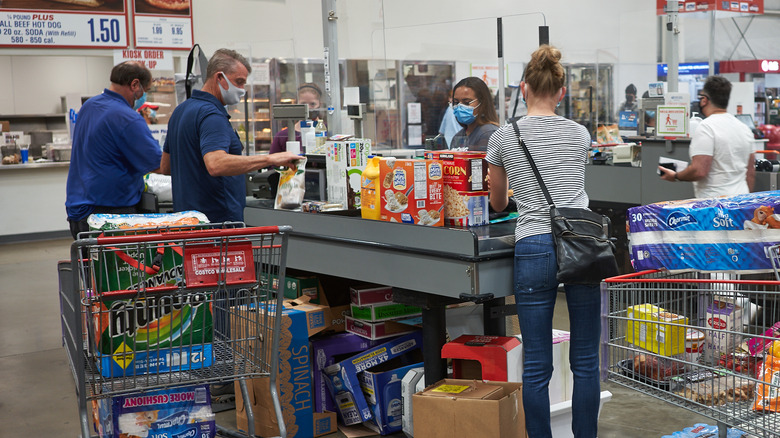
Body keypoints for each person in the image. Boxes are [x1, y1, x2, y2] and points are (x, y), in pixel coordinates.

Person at [486, 45, 600, 438]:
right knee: (586, 359)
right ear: (562, 91)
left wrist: (512, 191)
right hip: (582, 243)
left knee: (536, 361)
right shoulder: (579, 133)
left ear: (523, 88)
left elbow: (498, 202)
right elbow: (571, 186)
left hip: (533, 243)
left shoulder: (504, 135)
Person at [161, 48, 299, 223]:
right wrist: (270, 159)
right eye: (239, 82)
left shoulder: (181, 110)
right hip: (218, 225)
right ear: (219, 77)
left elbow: (166, 167)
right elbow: (216, 164)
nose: (242, 89)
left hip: (187, 223)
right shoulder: (212, 116)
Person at [65, 61, 162, 239]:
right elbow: (159, 165)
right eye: (144, 90)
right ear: (134, 84)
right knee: (119, 266)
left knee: (89, 265)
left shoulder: (89, 106)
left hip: (78, 208)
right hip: (110, 214)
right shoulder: (127, 117)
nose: (143, 96)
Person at [658, 75, 755, 198]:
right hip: (740, 201)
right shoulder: (744, 128)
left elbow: (699, 170)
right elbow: (750, 172)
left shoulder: (707, 127)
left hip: (715, 205)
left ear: (704, 100)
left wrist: (676, 176)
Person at [269, 83, 324, 154]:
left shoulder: (327, 132)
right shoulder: (282, 136)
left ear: (320, 104)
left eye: (312, 104)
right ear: (296, 104)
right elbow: (273, 163)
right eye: (303, 104)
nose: (308, 108)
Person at [449, 77, 500, 151]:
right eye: (456, 103)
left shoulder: (488, 133)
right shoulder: (459, 136)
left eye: (466, 102)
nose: (460, 107)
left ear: (482, 103)